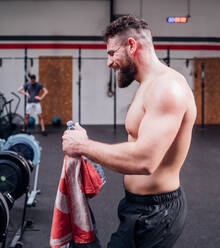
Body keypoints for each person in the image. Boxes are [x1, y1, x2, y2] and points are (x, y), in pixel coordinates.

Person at [62, 15, 197, 248]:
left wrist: (83, 146)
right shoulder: (147, 86)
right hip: (137, 206)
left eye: (112, 53)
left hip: (156, 213)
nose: (109, 62)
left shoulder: (167, 88)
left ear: (132, 46)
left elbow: (145, 160)